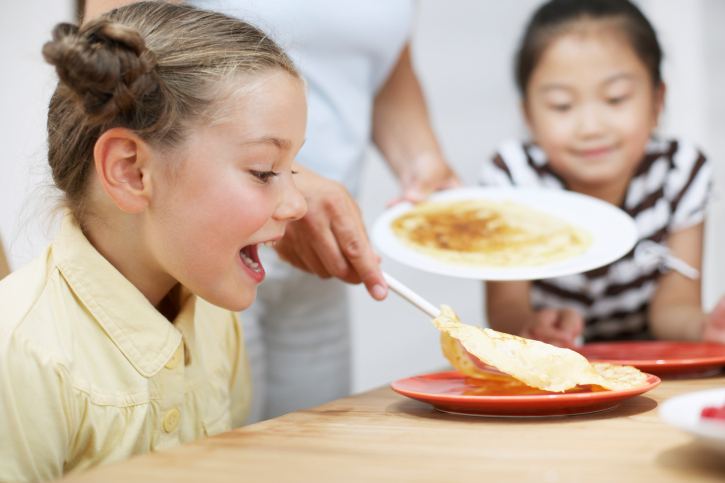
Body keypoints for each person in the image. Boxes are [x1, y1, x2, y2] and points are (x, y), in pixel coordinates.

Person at [86, 0, 460, 421]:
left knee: (310, 449)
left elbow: (382, 58)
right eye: (263, 171)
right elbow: (109, 69)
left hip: (314, 255)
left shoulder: (291, 206)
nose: (294, 201)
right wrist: (292, 179)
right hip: (203, 256)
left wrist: (421, 161)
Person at [0, 3, 308, 480]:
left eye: (293, 170)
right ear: (132, 171)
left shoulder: (215, 319)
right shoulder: (21, 355)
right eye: (264, 171)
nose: (298, 204)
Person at [480, 0, 725, 347]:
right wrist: (530, 329)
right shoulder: (512, 178)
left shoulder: (680, 172)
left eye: (616, 98)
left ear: (657, 101)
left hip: (648, 374)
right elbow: (506, 307)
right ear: (529, 117)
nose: (590, 127)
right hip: (547, 376)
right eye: (562, 105)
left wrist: (706, 328)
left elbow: (674, 308)